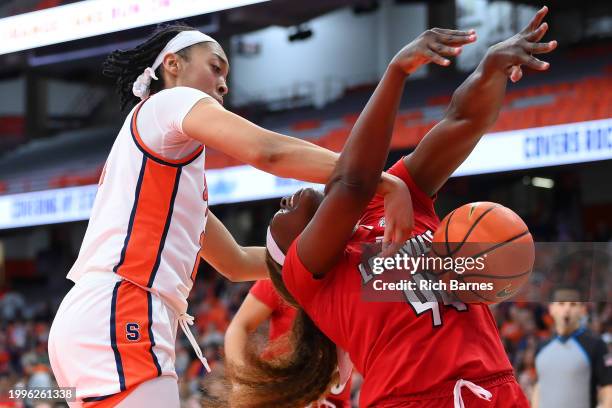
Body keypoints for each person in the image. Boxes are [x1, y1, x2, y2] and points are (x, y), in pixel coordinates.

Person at [47, 23, 412, 408]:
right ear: (173, 64)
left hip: (95, 316)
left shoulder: (165, 179)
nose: (224, 84)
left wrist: (335, 253)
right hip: (121, 307)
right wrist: (380, 182)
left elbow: (236, 262)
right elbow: (266, 150)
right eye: (215, 67)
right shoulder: (165, 104)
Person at [216, 7, 558, 408]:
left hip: (493, 387)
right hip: (408, 399)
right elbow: (351, 180)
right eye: (278, 219)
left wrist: (490, 70)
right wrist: (396, 71)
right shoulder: (306, 275)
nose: (284, 201)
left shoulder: (386, 204)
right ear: (288, 253)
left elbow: (461, 121)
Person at [225, 279, 352, 407]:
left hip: (332, 401)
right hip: (278, 398)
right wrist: (241, 383)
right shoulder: (283, 272)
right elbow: (238, 326)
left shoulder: (363, 276)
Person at [533, 287, 612, 408]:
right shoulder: (542, 346)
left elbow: (608, 387)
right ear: (551, 309)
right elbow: (539, 386)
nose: (567, 309)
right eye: (561, 304)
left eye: (573, 304)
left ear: (582, 310)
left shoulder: (596, 344)